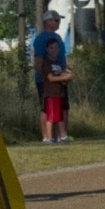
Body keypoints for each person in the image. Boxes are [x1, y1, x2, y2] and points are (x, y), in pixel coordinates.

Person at [30, 9, 71, 144]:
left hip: (60, 80)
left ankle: (61, 136)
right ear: (48, 21)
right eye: (57, 20)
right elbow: (38, 61)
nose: (59, 23)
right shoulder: (41, 39)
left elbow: (61, 58)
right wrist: (46, 78)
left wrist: (65, 73)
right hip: (46, 81)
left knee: (63, 107)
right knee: (46, 108)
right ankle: (46, 136)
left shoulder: (58, 37)